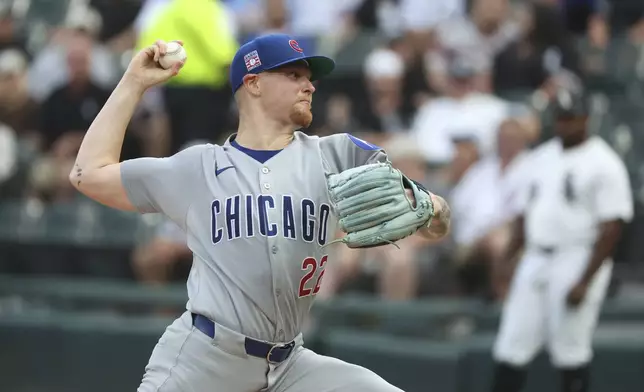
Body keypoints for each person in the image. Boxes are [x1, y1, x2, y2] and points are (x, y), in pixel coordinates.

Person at [69, 33, 452, 392]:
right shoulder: (197, 168)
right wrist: (133, 83)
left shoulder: (339, 154)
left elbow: (435, 219)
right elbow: (88, 174)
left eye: (309, 77)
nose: (310, 85)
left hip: (291, 364)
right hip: (205, 360)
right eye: (293, 74)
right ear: (253, 84)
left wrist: (430, 209)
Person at [489, 85, 633, 392]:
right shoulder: (542, 156)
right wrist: (506, 258)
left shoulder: (603, 162)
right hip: (536, 257)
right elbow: (524, 215)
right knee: (511, 344)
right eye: (560, 117)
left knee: (570, 348)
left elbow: (612, 228)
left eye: (571, 117)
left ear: (585, 118)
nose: (564, 124)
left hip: (577, 255)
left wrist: (585, 280)